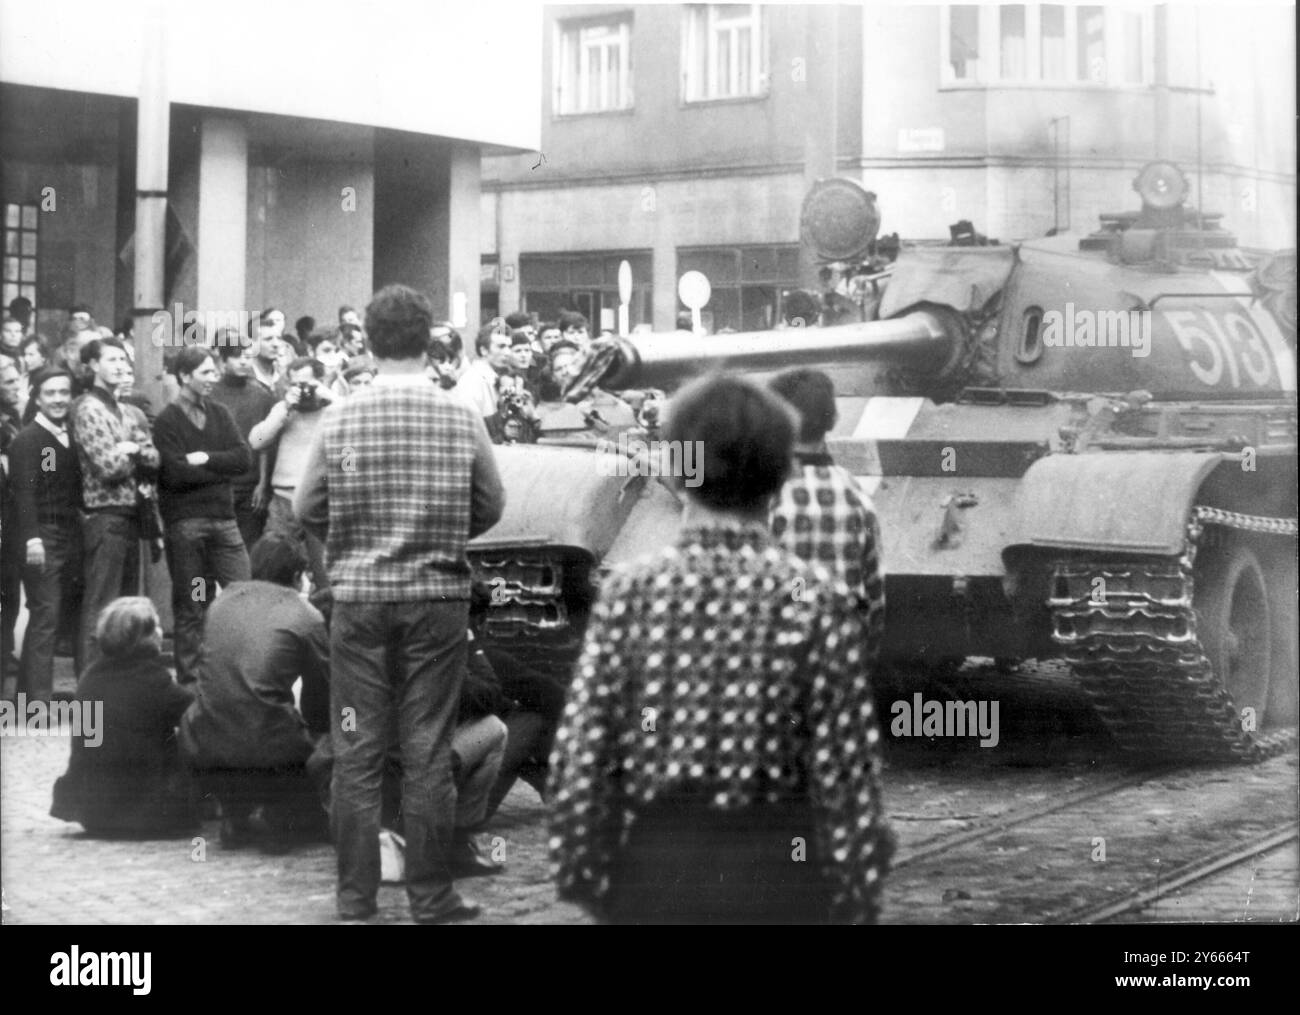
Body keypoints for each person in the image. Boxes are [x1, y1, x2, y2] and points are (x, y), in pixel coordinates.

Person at [547, 374, 893, 925]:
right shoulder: (818, 605)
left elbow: (583, 757)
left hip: (657, 870)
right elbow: (846, 777)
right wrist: (848, 895)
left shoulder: (629, 595)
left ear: (685, 469)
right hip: (780, 872)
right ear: (779, 473)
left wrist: (597, 884)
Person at [295, 282, 505, 924]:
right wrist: (441, 532)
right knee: (427, 751)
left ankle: (355, 899)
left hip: (358, 601)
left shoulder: (340, 417)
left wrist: (356, 537)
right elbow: (492, 504)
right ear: (428, 340)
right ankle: (431, 897)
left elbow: (306, 508)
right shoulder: (460, 416)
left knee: (356, 751)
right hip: (437, 600)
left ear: (370, 342)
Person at [179, 534, 330, 851]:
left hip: (203, 740)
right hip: (268, 746)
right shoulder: (305, 614)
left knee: (245, 718)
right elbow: (324, 694)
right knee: (308, 737)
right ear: (295, 576)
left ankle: (237, 812)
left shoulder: (220, 603)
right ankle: (280, 815)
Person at [50, 597, 196, 837]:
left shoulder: (88, 680)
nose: (161, 632)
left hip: (94, 811)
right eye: (156, 626)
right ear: (143, 638)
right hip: (146, 812)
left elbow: (83, 747)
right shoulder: (155, 680)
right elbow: (197, 712)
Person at [769, 369, 885, 663]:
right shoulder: (854, 493)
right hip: (840, 656)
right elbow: (874, 589)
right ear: (832, 420)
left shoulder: (763, 493)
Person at [153, 347, 254, 683]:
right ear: (184, 376)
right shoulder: (167, 421)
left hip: (224, 524)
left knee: (242, 594)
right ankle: (192, 685)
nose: (213, 379)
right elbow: (175, 473)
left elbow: (243, 459)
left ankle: (237, 677)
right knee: (194, 603)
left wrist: (205, 459)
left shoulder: (221, 414)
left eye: (213, 372)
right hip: (188, 527)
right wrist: (218, 468)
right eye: (206, 373)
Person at [70, 338, 159, 668]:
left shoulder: (127, 410)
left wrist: (130, 450)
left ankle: (114, 686)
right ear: (93, 365)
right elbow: (108, 467)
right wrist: (133, 451)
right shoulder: (88, 408)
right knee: (101, 605)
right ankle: (89, 686)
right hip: (104, 516)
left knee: (123, 608)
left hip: (130, 515)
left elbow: (153, 457)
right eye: (112, 359)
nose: (122, 365)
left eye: (124, 359)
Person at [10, 367, 84, 700]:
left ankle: (29, 697)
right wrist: (33, 539)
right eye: (50, 393)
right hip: (43, 538)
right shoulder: (30, 440)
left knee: (50, 618)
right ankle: (38, 704)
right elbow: (25, 495)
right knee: (45, 618)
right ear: (37, 398)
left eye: (63, 393)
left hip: (68, 535)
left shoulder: (63, 436)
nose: (58, 400)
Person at [248, 356, 333, 593]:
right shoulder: (284, 409)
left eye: (308, 384)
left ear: (321, 381)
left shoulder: (335, 410)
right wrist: (285, 408)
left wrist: (332, 401)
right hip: (284, 500)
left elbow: (351, 458)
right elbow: (257, 441)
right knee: (273, 567)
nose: (302, 390)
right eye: (295, 384)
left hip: (321, 500)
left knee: (324, 572)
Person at [208, 335, 277, 548]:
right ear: (223, 360)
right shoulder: (210, 394)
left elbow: (266, 445)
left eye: (248, 356)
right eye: (237, 357)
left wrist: (263, 484)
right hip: (218, 484)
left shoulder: (262, 395)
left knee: (248, 550)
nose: (244, 362)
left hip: (251, 485)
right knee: (215, 552)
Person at [0, 355, 26, 680]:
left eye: (17, 381)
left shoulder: (14, 423)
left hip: (12, 528)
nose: (16, 387)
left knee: (10, 599)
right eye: (8, 382)